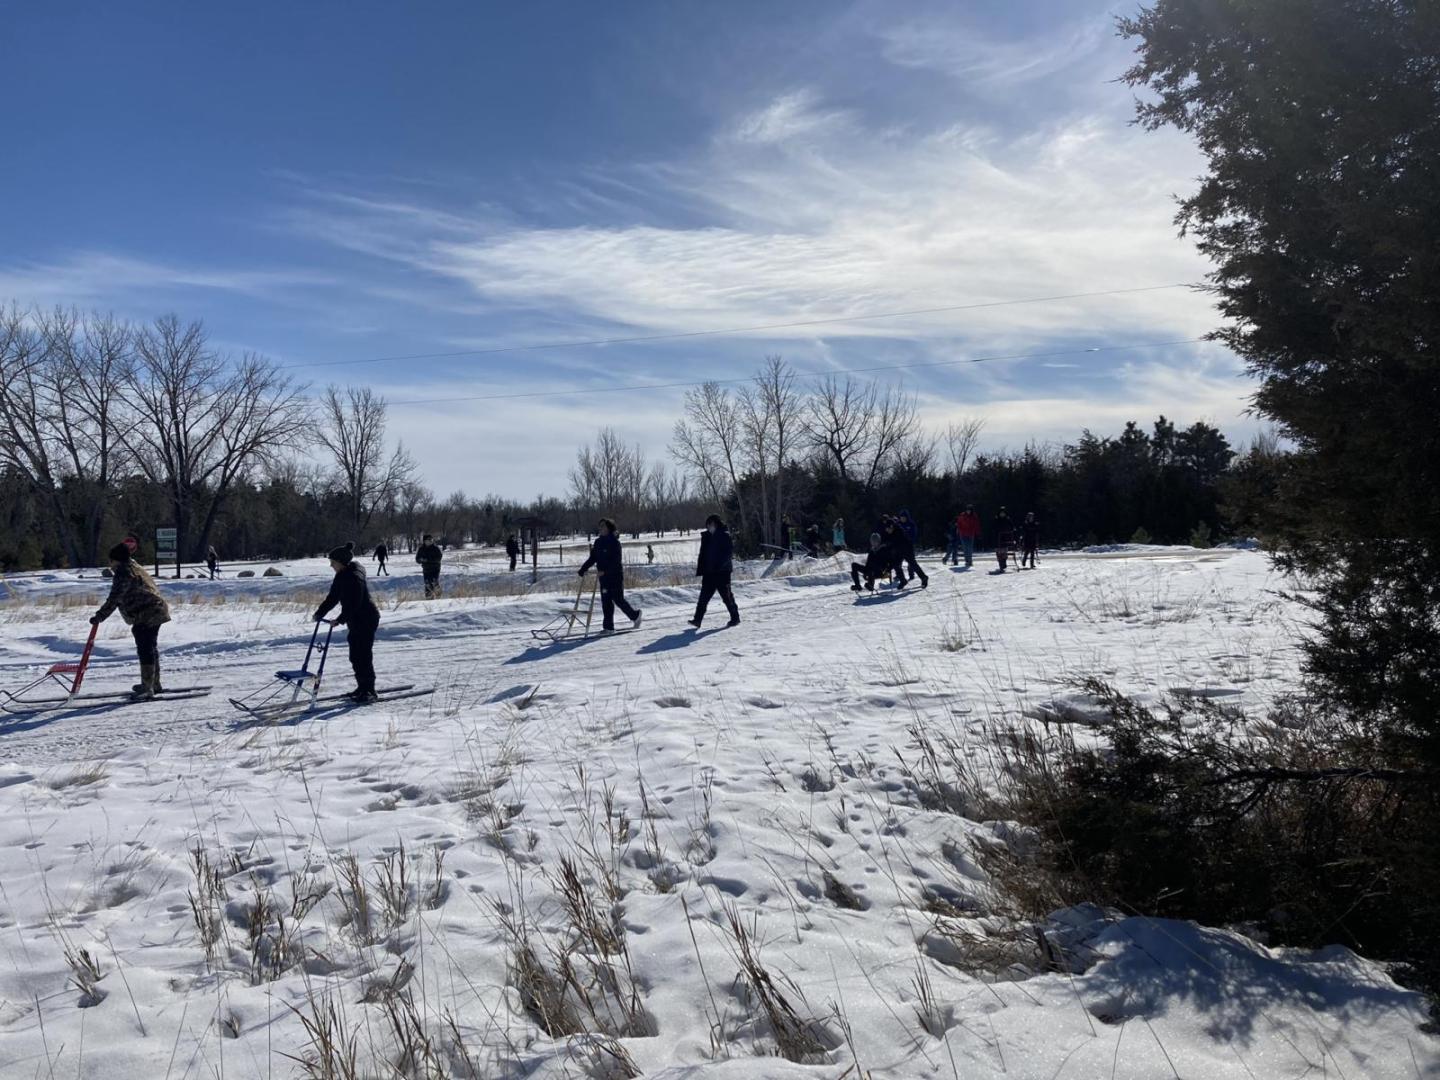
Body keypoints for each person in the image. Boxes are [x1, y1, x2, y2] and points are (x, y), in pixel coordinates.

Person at [90, 542, 172, 700]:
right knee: (150, 647)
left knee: (145, 647)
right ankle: (153, 684)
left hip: (148, 612)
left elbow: (115, 597)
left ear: (116, 560)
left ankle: (148, 687)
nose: (110, 565)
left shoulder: (124, 572)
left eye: (111, 561)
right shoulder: (135, 566)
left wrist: (100, 616)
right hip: (155, 609)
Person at [313, 542, 380, 703]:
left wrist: (339, 620)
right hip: (355, 620)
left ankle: (369, 691)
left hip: (366, 618)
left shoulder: (354, 578)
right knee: (355, 655)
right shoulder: (342, 575)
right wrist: (320, 612)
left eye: (333, 562)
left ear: (341, 562)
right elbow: (333, 597)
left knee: (362, 655)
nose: (331, 565)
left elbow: (354, 604)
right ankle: (361, 688)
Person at [578, 518, 642, 633]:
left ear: (609, 528)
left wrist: (606, 571)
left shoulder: (614, 542)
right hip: (603, 578)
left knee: (618, 599)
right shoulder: (598, 542)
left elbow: (616, 561)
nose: (600, 528)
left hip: (615, 576)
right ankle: (608, 627)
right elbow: (593, 558)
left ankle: (635, 615)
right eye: (600, 526)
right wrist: (583, 569)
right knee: (606, 601)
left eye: (603, 526)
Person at [690, 514, 741, 627]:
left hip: (722, 572)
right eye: (708, 525)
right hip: (709, 573)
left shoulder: (724, 536)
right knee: (703, 598)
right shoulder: (707, 536)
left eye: (711, 524)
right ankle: (697, 619)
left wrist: (720, 565)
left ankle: (735, 617)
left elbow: (728, 554)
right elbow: (703, 554)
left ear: (716, 524)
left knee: (727, 597)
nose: (709, 527)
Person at [886, 516, 928, 589]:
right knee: (896, 565)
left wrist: (892, 548)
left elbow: (895, 543)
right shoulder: (891, 532)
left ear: (891, 526)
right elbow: (891, 544)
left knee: (913, 564)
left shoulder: (899, 531)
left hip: (907, 549)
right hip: (899, 551)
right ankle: (903, 580)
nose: (887, 530)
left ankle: (924, 577)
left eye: (888, 529)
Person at [416, 534, 443, 598]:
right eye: (429, 540)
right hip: (426, 569)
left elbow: (439, 558)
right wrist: (421, 560)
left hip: (435, 568)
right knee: (427, 583)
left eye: (431, 540)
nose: (431, 541)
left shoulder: (435, 548)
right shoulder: (421, 549)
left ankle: (439, 596)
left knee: (434, 581)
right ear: (425, 541)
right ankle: (429, 598)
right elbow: (417, 559)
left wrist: (428, 560)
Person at [994, 508, 1015, 572]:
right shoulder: (996, 520)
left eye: (1003, 513)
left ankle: (1004, 563)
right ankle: (1001, 564)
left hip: (1006, 538)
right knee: (999, 552)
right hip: (998, 538)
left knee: (1004, 552)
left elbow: (1012, 527)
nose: (1002, 514)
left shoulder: (1008, 519)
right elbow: (993, 528)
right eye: (1001, 513)